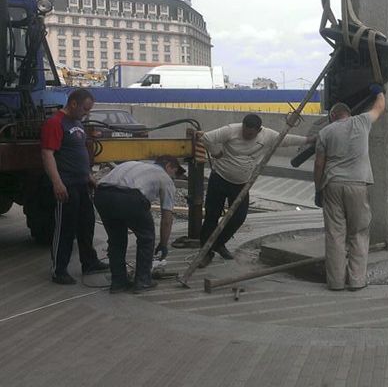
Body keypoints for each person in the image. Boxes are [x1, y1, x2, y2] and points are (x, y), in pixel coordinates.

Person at [197, 114, 314, 267]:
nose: (246, 135)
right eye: (244, 132)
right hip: (219, 178)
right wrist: (216, 153)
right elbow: (206, 138)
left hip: (241, 184)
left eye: (250, 134)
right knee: (212, 216)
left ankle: (218, 243)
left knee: (239, 218)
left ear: (258, 130)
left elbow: (286, 140)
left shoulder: (267, 135)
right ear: (242, 126)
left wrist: (308, 140)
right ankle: (206, 252)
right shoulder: (231, 130)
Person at [313, 84, 386, 291]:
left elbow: (319, 164)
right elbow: (380, 107)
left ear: (332, 116)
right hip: (357, 184)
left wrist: (318, 190)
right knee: (359, 233)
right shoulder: (361, 121)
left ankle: (335, 282)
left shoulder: (325, 132)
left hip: (332, 185)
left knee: (335, 234)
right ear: (348, 114)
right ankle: (356, 281)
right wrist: (378, 91)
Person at [40, 88, 108, 285]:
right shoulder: (55, 123)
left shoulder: (77, 123)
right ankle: (59, 269)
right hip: (67, 184)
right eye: (85, 109)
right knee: (65, 229)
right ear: (73, 104)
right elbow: (48, 154)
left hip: (82, 184)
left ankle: (89, 262)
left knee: (86, 225)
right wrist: (57, 182)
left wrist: (88, 176)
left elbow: (79, 153)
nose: (87, 113)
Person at [94, 156, 184, 293]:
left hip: (102, 194)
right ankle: (142, 281)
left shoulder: (133, 164)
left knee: (116, 240)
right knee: (146, 238)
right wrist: (164, 244)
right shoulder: (165, 177)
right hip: (129, 197)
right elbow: (167, 217)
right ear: (169, 166)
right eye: (174, 172)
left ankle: (118, 282)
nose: (173, 177)